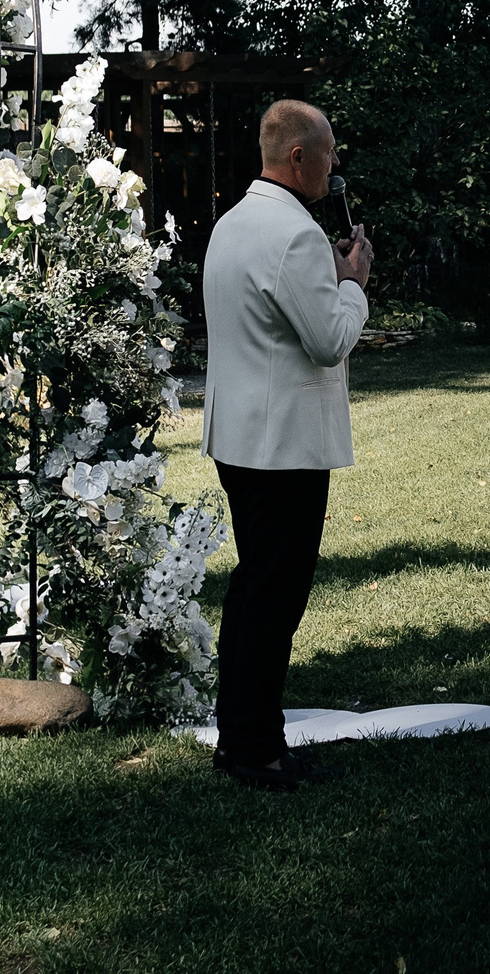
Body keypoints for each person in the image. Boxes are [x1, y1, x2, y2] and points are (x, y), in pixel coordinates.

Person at [200, 99, 373, 790]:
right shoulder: (297, 235)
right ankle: (257, 752)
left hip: (237, 435)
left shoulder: (233, 223)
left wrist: (325, 280)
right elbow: (329, 339)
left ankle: (240, 735)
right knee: (276, 595)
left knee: (252, 588)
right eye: (329, 153)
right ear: (297, 158)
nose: (335, 167)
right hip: (282, 446)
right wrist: (353, 283)